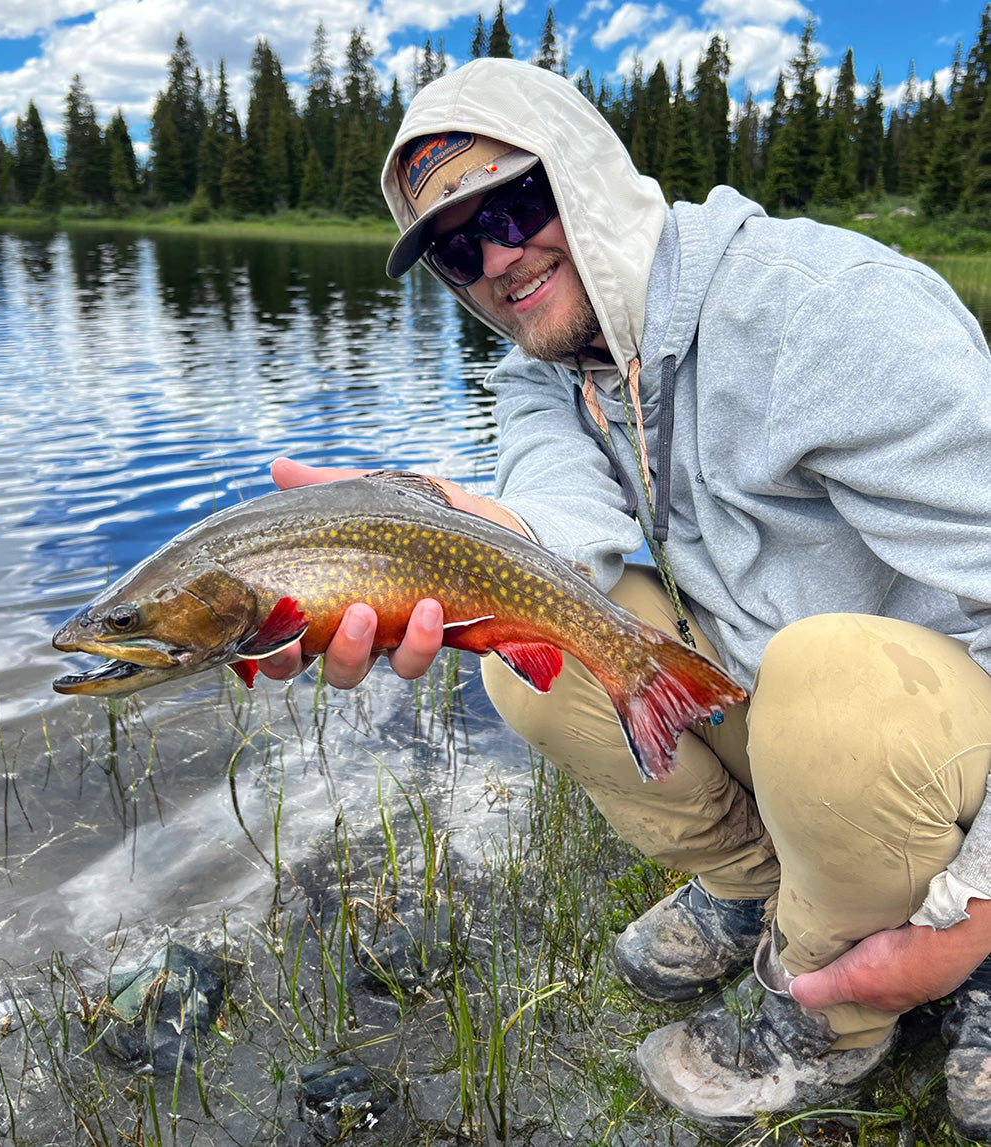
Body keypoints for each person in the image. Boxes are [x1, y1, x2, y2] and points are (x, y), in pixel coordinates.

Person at [262, 58, 991, 1135]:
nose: (500, 258)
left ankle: (837, 1004)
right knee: (526, 643)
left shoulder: (831, 313)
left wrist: (970, 919)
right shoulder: (539, 370)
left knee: (831, 681)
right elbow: (558, 532)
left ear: (592, 175)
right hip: (781, 715)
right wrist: (451, 543)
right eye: (459, 247)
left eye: (516, 204)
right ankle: (760, 891)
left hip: (942, 745)